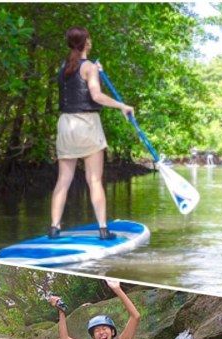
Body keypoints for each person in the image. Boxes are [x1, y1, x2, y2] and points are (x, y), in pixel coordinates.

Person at [49, 27, 135, 240]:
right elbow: (96, 96)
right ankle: (103, 229)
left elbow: (79, 75)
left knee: (63, 180)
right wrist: (122, 105)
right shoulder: (89, 68)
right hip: (87, 125)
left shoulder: (63, 67)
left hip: (65, 125)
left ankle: (54, 227)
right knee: (94, 180)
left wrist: (95, 69)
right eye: (89, 38)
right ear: (86, 42)